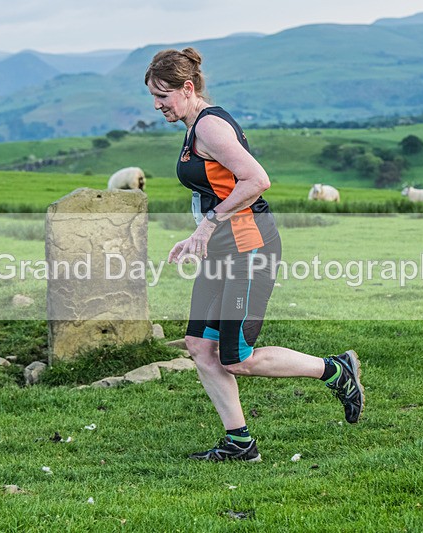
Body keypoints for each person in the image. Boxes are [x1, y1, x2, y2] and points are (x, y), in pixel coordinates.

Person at [145, 48, 364, 462]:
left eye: (162, 96)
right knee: (199, 344)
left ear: (187, 88)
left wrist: (208, 225)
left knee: (236, 358)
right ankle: (240, 443)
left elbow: (256, 180)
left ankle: (334, 369)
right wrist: (198, 234)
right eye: (153, 97)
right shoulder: (194, 127)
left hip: (249, 248)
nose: (157, 105)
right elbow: (219, 189)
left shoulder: (210, 127)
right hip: (221, 249)